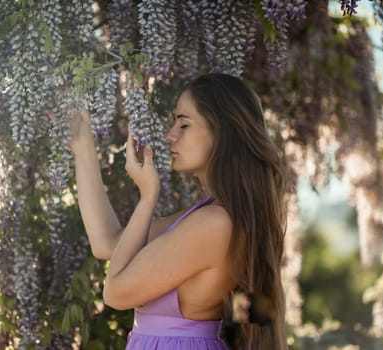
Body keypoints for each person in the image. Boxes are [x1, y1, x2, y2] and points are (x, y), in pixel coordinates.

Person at [69, 73, 287, 350]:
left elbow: (115, 293)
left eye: (183, 124)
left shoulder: (214, 224)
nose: (169, 135)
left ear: (223, 132)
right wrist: (83, 147)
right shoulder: (210, 216)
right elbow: (108, 242)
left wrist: (148, 196)